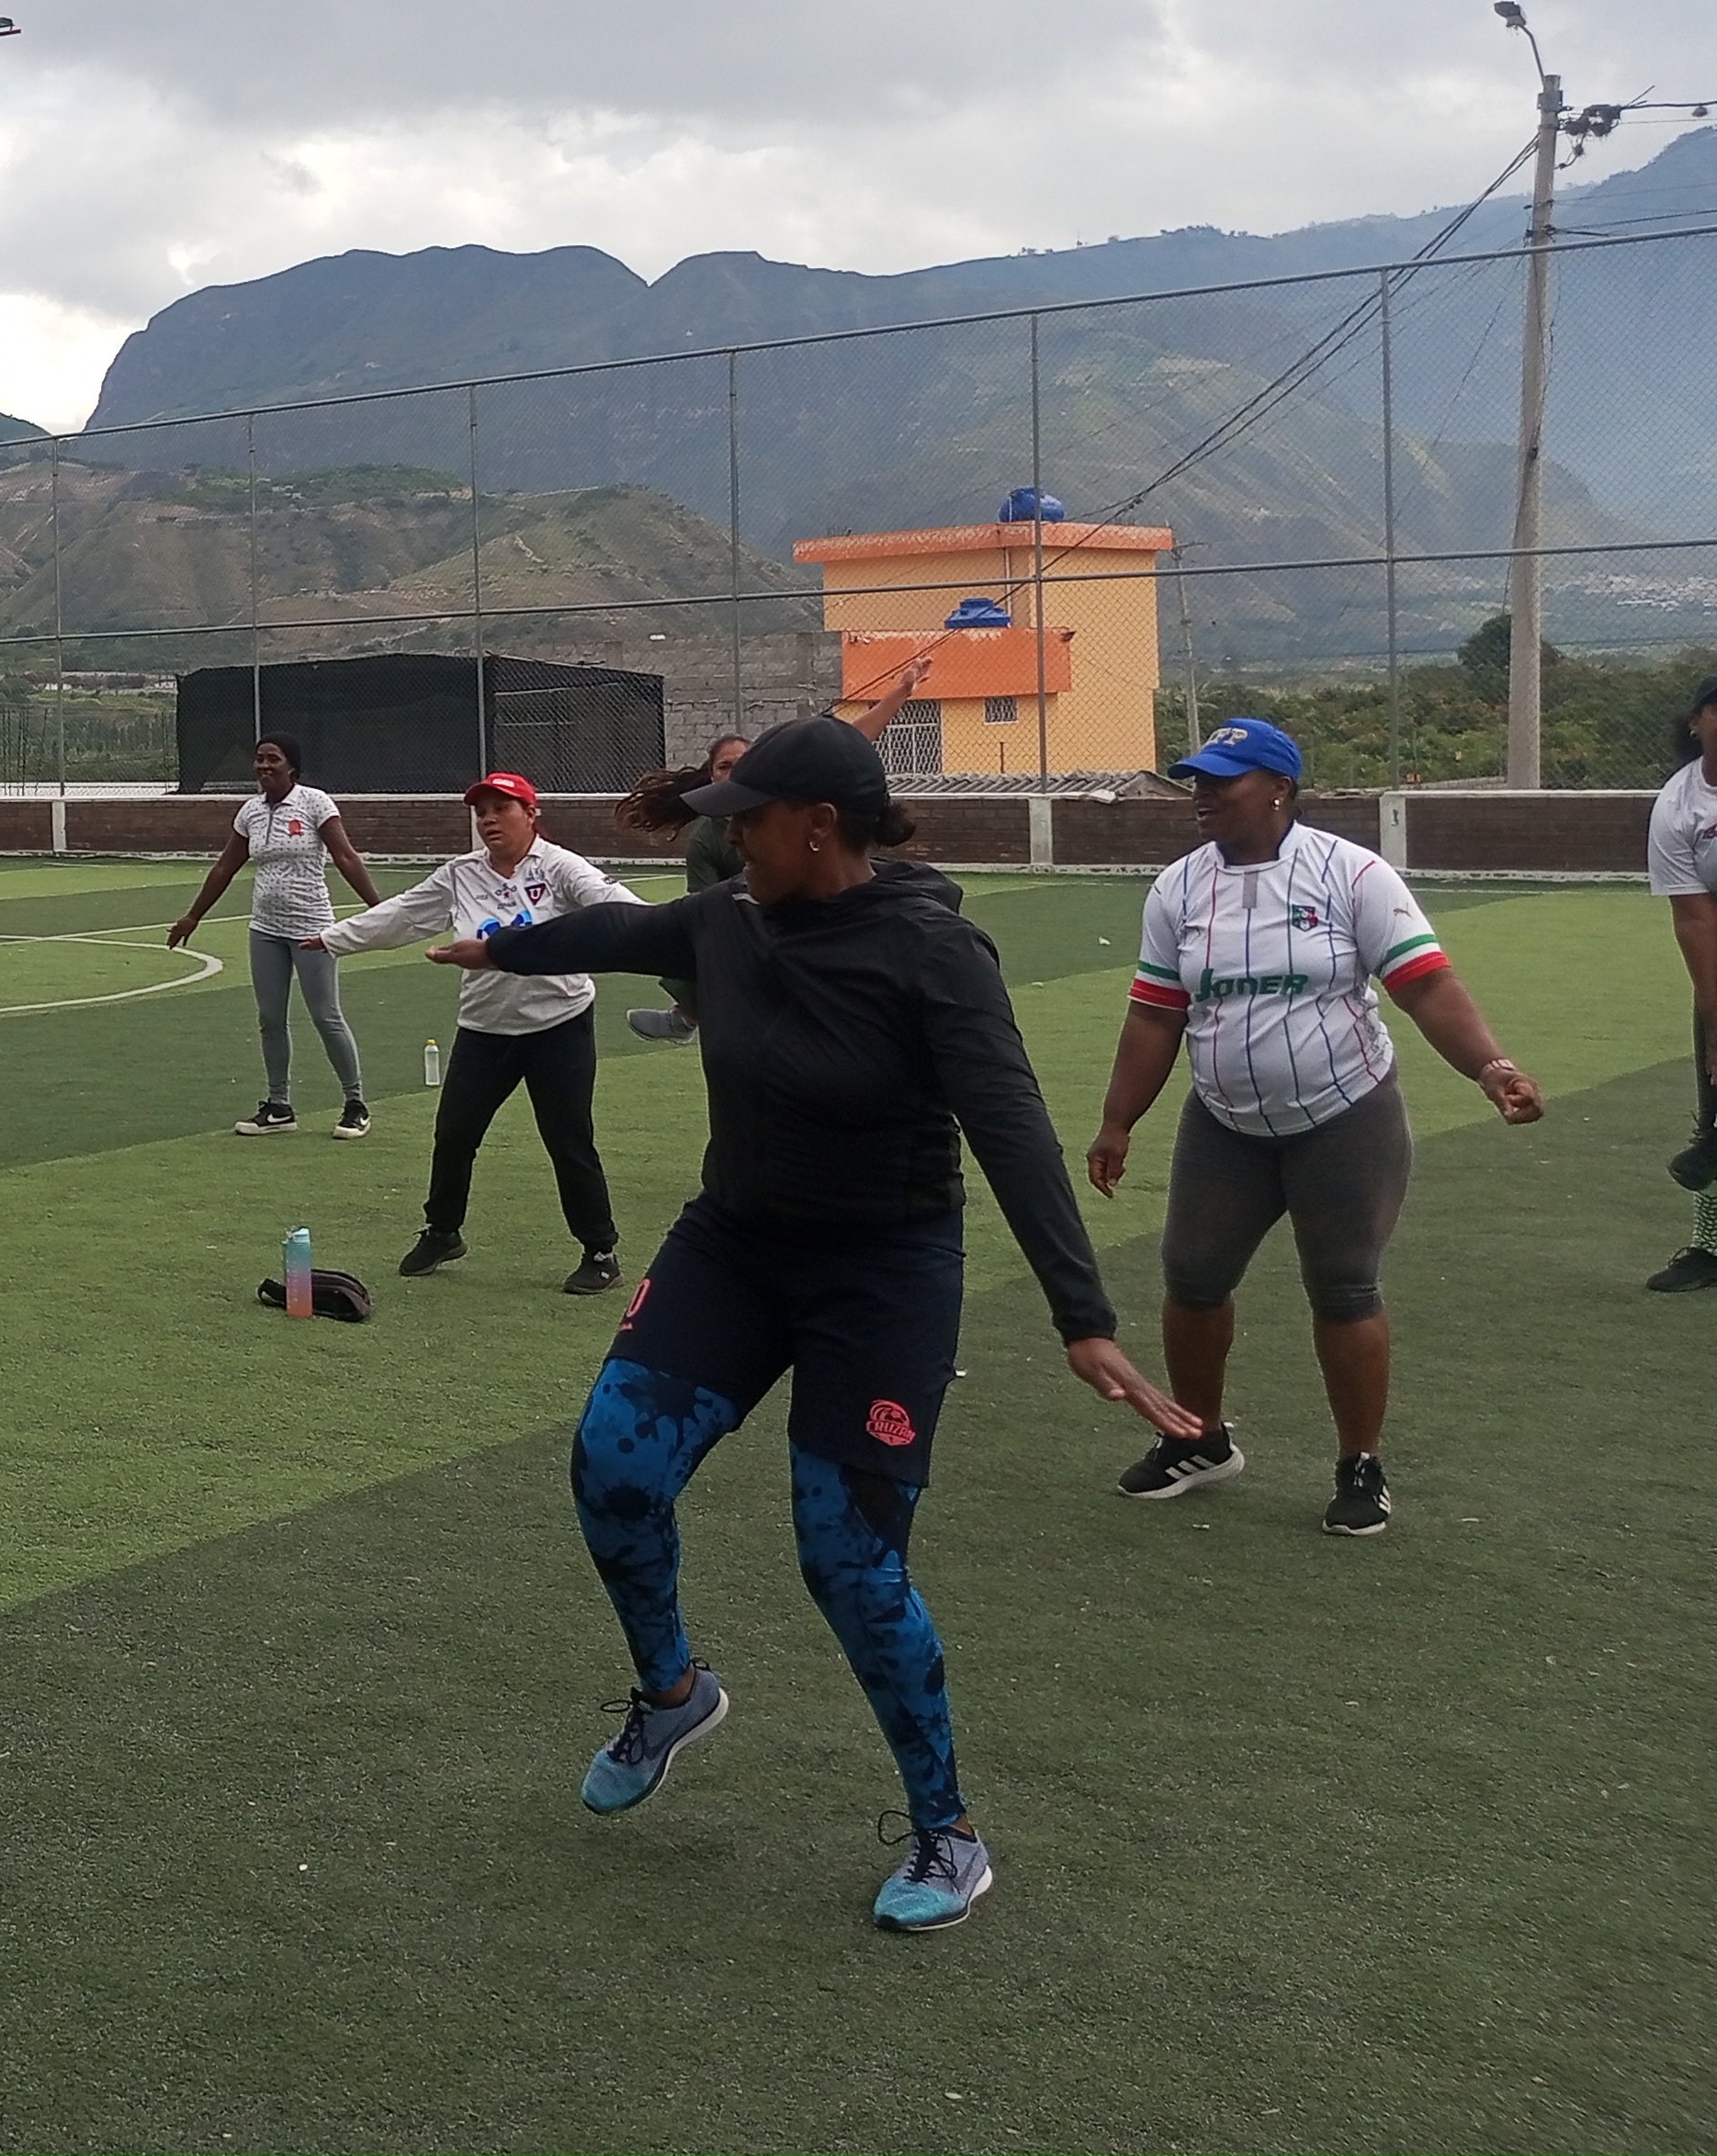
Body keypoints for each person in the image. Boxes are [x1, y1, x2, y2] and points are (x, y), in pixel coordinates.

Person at [466, 716, 1194, 1935]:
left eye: (749, 822)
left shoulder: (931, 951)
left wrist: (1084, 1316)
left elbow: (1010, 1126)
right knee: (613, 1467)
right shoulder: (729, 919)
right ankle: (671, 1694)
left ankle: (947, 1833)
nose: (732, 842)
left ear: (816, 829)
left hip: (882, 1274)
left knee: (846, 1561)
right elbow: (622, 935)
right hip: (735, 1246)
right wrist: (501, 944)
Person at [1087, 720, 1542, 1531]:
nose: (1201, 795)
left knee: (1343, 1286)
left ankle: (1360, 1464)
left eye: (1221, 780)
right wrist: (1117, 1121)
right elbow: (1156, 1014)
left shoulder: (1353, 873)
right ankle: (1199, 1438)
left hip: (1344, 1114)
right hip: (1224, 1122)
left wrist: (1490, 1067)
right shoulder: (1177, 889)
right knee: (1193, 1277)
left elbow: (1425, 984)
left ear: (1279, 789)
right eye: (1196, 781)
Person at [316, 771, 641, 1287]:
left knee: (568, 1140)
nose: (489, 820)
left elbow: (616, 906)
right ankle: (443, 1232)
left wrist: (668, 935)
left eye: (502, 809)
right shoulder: (460, 874)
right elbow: (405, 913)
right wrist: (335, 937)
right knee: (454, 1134)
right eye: (481, 812)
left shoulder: (560, 867)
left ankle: (600, 1252)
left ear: (531, 814)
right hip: (484, 1029)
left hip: (559, 1025)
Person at [627, 655, 933, 1043]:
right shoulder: (706, 842)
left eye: (743, 764)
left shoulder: (922, 931)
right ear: (711, 775)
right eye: (724, 767)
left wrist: (901, 691)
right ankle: (687, 1014)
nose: (734, 773)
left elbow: (852, 742)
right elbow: (700, 918)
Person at [164, 733, 383, 1138]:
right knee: (270, 1018)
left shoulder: (315, 803)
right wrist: (193, 916)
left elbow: (345, 856)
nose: (263, 766)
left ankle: (355, 1104)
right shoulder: (250, 811)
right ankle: (279, 1106)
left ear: (291, 766)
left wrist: (379, 908)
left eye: (273, 759)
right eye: (259, 759)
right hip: (265, 929)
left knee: (326, 1016)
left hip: (313, 929)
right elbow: (225, 866)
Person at [1649, 675, 1717, 1287]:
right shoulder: (1679, 805)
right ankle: (1710, 1248)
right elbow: (1695, 919)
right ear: (1695, 722)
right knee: (1716, 1100)